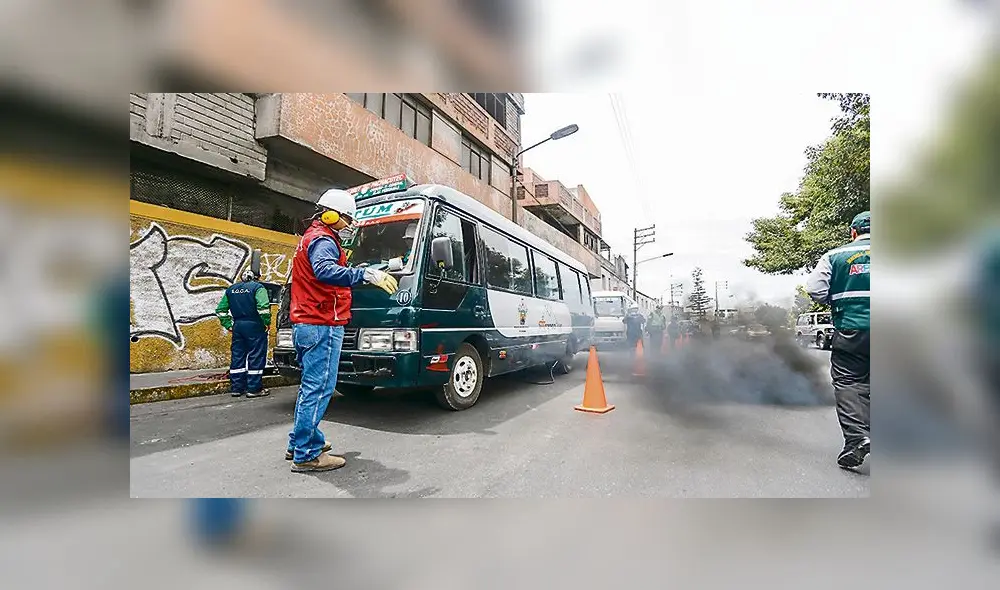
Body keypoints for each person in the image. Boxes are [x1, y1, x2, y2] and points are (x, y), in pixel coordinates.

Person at [286, 188, 399, 473]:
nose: (349, 225)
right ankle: (307, 455)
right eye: (346, 218)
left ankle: (300, 441)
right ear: (331, 214)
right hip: (321, 323)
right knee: (320, 387)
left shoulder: (311, 237)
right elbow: (324, 271)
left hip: (308, 322)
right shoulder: (323, 239)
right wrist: (365, 274)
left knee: (310, 387)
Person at [806, 210, 871, 469]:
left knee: (848, 381)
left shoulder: (834, 256)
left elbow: (815, 289)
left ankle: (857, 439)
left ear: (853, 233)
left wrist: (838, 299)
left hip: (851, 329)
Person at [216, 268, 272, 398]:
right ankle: (254, 388)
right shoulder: (258, 288)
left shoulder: (231, 289)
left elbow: (220, 310)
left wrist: (228, 324)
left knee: (238, 355)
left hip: (238, 325)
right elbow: (263, 307)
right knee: (256, 355)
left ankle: (237, 388)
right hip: (254, 325)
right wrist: (266, 322)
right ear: (254, 277)